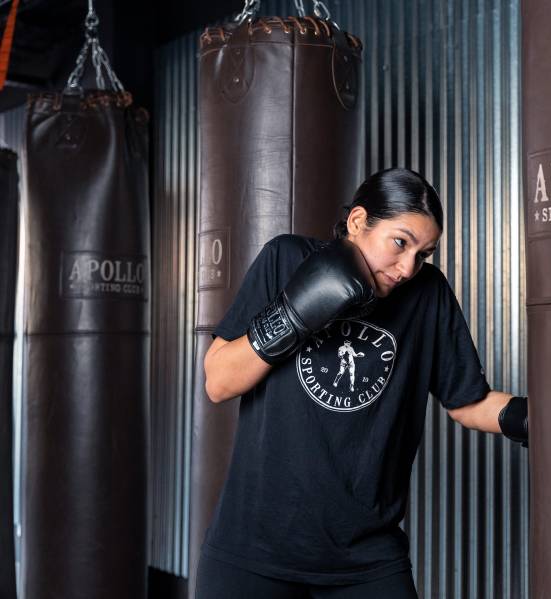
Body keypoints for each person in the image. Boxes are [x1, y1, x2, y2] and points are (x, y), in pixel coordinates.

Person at [197, 168, 528, 599]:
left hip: (365, 556)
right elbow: (218, 382)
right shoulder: (287, 259)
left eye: (424, 254)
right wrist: (293, 316)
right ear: (357, 221)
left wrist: (537, 419)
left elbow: (467, 402)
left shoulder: (427, 293)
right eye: (401, 242)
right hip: (253, 548)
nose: (407, 268)